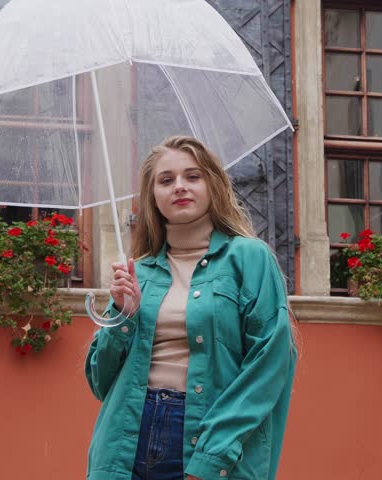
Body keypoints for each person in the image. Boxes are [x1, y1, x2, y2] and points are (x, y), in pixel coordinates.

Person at [85, 136, 297, 480]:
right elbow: (100, 381)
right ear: (153, 195)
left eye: (192, 176)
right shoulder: (138, 272)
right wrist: (124, 316)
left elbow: (270, 363)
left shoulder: (248, 257)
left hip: (204, 436)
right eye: (166, 180)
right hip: (125, 441)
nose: (179, 187)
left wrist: (212, 456)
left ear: (212, 184)